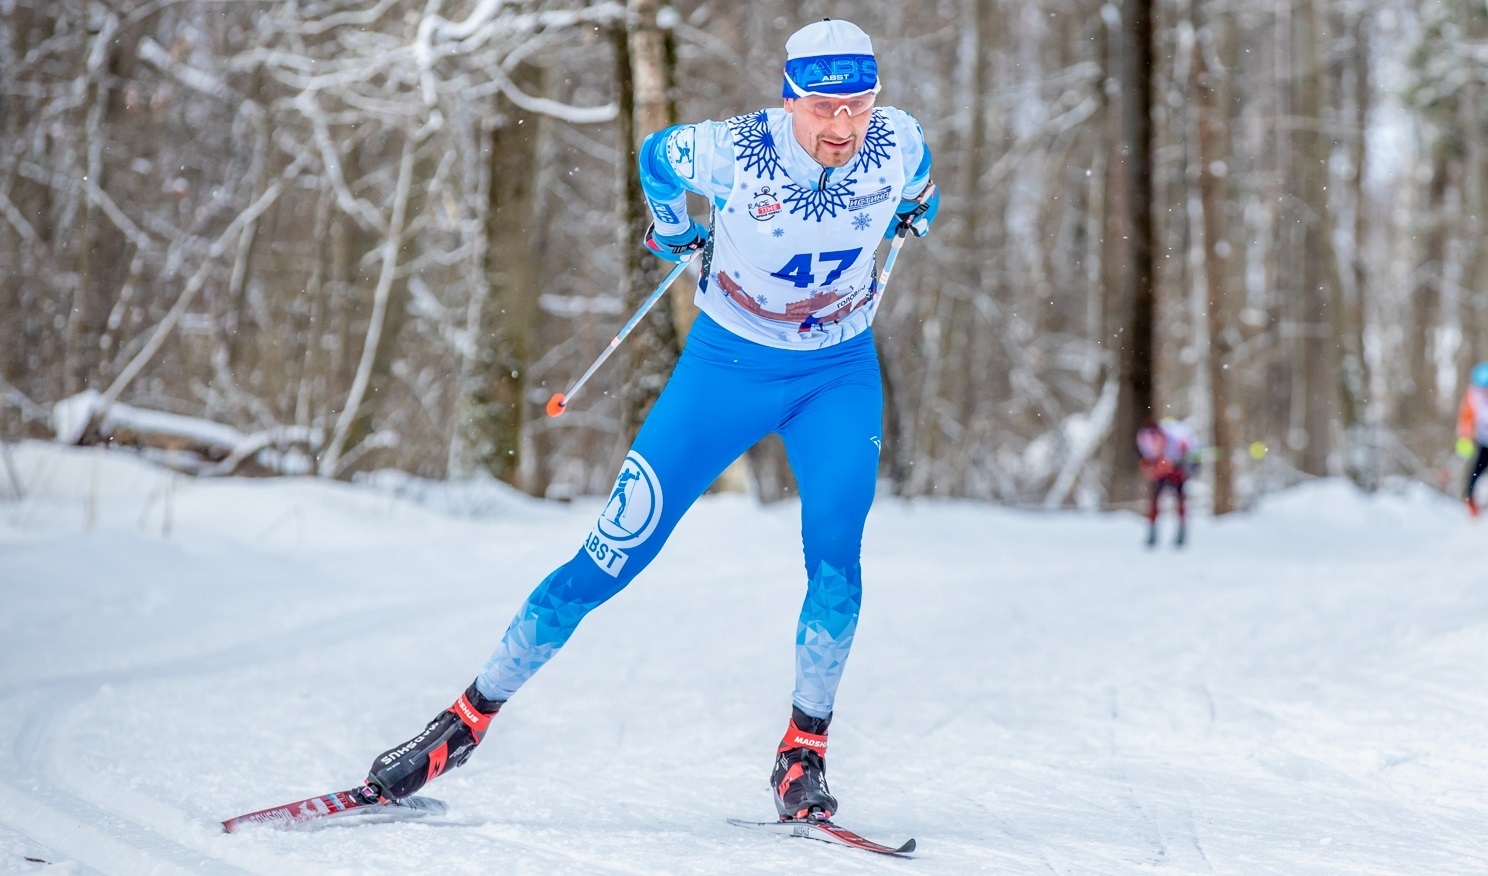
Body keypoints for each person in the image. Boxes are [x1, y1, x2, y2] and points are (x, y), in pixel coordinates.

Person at [360, 19, 938, 824]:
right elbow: (656, 155)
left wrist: (921, 208)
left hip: (837, 375)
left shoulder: (896, 141)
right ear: (789, 99)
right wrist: (673, 228)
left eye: (859, 106)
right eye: (823, 108)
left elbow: (922, 178)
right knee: (611, 556)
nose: (843, 127)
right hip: (725, 371)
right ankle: (462, 723)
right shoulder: (737, 151)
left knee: (836, 566)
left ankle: (803, 752)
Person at [1136, 417, 1201, 547]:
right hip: (1160, 473)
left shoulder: (1176, 439)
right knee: (1154, 501)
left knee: (1180, 501)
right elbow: (1145, 461)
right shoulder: (1143, 440)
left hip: (1177, 471)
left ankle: (1181, 534)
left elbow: (1187, 455)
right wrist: (1153, 467)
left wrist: (1173, 464)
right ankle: (1152, 534)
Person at [1456, 362, 1488, 517]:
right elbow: (1467, 419)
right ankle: (1471, 502)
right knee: (1475, 472)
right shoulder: (1473, 396)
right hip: (1484, 441)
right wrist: (1465, 438)